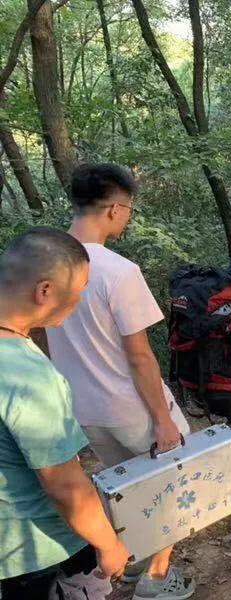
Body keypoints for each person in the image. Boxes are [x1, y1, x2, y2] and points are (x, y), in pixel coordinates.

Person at [46, 163, 195, 599]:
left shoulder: (44, 261)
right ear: (114, 209)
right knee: (175, 486)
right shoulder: (117, 270)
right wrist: (163, 421)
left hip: (84, 409)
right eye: (128, 208)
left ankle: (128, 566)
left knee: (126, 491)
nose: (128, 216)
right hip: (132, 408)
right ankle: (156, 577)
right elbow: (140, 356)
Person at [0, 228, 129, 599]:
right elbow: (64, 485)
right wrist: (108, 546)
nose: (82, 295)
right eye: (81, 286)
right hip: (36, 551)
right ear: (45, 291)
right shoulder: (27, 376)